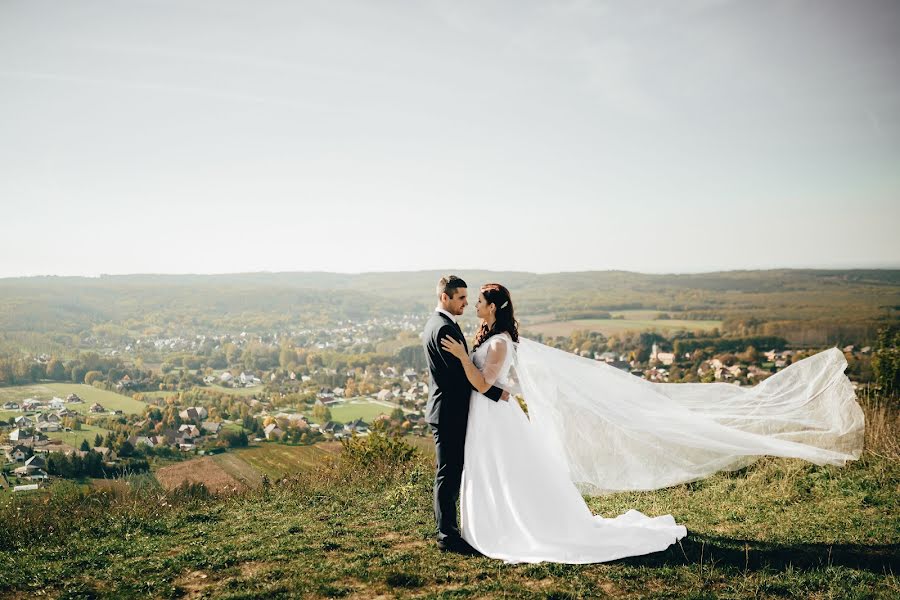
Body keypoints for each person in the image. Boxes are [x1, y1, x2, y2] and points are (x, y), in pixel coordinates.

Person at [441, 283, 864, 564]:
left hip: (495, 418)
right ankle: (492, 523)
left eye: (477, 301)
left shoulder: (497, 342)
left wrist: (462, 360)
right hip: (490, 420)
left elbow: (482, 382)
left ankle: (514, 527)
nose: (473, 306)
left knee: (505, 472)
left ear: (492, 307)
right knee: (496, 474)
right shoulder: (490, 335)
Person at [422, 275, 508, 554]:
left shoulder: (441, 324)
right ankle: (447, 535)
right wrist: (496, 393)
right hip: (448, 413)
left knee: (452, 472)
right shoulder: (444, 329)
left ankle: (453, 529)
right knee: (448, 474)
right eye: (461, 298)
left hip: (450, 411)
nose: (467, 303)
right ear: (444, 297)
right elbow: (463, 378)